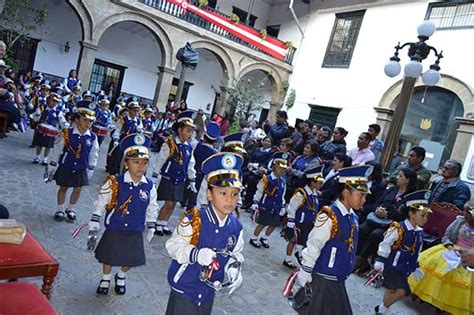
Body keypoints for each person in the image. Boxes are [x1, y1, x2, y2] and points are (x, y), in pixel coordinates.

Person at [165, 152, 244, 314]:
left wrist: (233, 268)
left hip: (208, 291)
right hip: (185, 288)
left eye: (234, 193)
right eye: (223, 193)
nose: (230, 199)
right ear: (209, 194)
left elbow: (236, 253)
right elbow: (173, 246)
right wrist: (195, 254)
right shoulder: (194, 218)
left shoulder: (236, 227)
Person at [87, 133, 158, 295]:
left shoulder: (149, 186)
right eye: (136, 162)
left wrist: (151, 224)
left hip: (135, 228)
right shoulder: (114, 182)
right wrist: (95, 218)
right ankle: (105, 278)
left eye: (144, 162)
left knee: (130, 258)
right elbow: (102, 200)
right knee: (109, 255)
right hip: (116, 226)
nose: (141, 166)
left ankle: (121, 276)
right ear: (126, 163)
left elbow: (151, 206)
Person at [296, 165, 373, 314]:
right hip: (323, 279)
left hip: (337, 278)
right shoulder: (329, 216)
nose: (364, 200)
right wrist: (305, 270)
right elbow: (314, 244)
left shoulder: (353, 217)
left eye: (365, 196)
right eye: (360, 195)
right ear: (346, 192)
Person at [407, 199, 474, 315]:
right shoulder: (460, 221)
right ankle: (420, 293)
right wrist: (449, 245)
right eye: (464, 212)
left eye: (467, 213)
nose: (464, 214)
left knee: (460, 279)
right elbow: (447, 235)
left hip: (468, 258)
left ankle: (449, 308)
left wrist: (467, 253)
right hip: (451, 249)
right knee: (433, 266)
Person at [373, 190, 432, 315]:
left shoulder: (419, 232)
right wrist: (381, 260)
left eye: (427, 216)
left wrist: (416, 266)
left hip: (404, 267)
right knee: (402, 291)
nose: (426, 219)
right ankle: (382, 309)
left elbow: (417, 250)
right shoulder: (399, 228)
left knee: (391, 290)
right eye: (422, 215)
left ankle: (383, 310)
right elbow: (386, 244)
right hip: (393, 265)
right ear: (411, 213)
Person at [354, 167, 417, 274]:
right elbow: (378, 202)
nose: (397, 177)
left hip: (394, 225)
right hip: (378, 219)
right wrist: (378, 209)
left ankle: (361, 261)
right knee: (363, 228)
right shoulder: (393, 189)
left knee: (376, 234)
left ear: (408, 180)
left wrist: (388, 214)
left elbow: (407, 216)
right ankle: (357, 258)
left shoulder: (412, 197)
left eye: (400, 176)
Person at [47, 100, 99, 222]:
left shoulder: (92, 137)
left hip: (81, 167)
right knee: (63, 187)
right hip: (67, 165)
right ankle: (60, 209)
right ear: (76, 120)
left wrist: (91, 167)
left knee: (78, 189)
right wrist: (53, 163)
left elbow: (94, 153)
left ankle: (70, 208)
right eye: (85, 120)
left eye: (90, 121)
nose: (88, 123)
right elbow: (58, 149)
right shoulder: (66, 133)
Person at [152, 111, 196, 236]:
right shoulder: (170, 143)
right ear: (180, 130)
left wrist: (192, 180)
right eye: (188, 130)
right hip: (169, 177)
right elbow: (161, 159)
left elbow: (190, 165)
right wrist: (155, 176)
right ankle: (158, 222)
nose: (190, 133)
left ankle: (164, 223)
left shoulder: (188, 147)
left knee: (174, 203)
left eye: (191, 131)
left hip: (180, 179)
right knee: (168, 202)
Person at [283, 166, 324, 269]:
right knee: (293, 240)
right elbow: (292, 207)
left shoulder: (314, 194)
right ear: (312, 182)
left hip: (309, 222)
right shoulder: (301, 193)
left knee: (303, 241)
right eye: (318, 182)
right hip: (299, 222)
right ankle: (287, 259)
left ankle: (299, 254)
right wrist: (291, 220)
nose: (320, 185)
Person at [249, 152, 289, 249]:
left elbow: (282, 194)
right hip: (266, 204)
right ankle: (254, 238)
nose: (282, 170)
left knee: (273, 224)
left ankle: (265, 237)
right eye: (280, 168)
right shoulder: (266, 179)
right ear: (274, 167)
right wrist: (255, 202)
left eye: (284, 169)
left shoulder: (283, 181)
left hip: (277, 206)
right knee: (262, 223)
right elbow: (259, 191)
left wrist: (283, 205)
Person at [182, 122, 220, 210]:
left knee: (188, 186)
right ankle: (191, 205)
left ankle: (184, 201)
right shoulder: (215, 154)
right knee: (196, 190)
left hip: (192, 170)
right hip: (203, 175)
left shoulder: (196, 145)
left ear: (205, 137)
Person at [107, 97, 144, 175]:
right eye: (134, 110)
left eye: (137, 110)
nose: (136, 112)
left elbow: (140, 132)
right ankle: (114, 175)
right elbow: (117, 130)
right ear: (129, 110)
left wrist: (140, 132)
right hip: (122, 142)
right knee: (118, 158)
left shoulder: (138, 121)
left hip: (132, 144)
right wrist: (116, 139)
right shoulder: (123, 119)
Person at [32, 89, 68, 165]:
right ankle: (37, 157)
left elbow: (62, 121)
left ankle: (45, 158)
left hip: (51, 131)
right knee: (39, 144)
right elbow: (35, 119)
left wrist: (65, 127)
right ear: (48, 100)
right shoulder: (42, 108)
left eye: (56, 102)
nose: (54, 103)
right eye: (53, 101)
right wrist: (37, 114)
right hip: (41, 129)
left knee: (48, 146)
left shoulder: (58, 112)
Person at [242, 136, 274, 209]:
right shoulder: (257, 149)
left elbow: (266, 164)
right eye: (265, 140)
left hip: (260, 172)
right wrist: (250, 164)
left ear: (271, 144)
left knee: (251, 179)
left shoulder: (271, 153)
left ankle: (248, 203)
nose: (266, 142)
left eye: (268, 141)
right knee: (242, 175)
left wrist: (255, 165)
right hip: (251, 169)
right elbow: (251, 158)